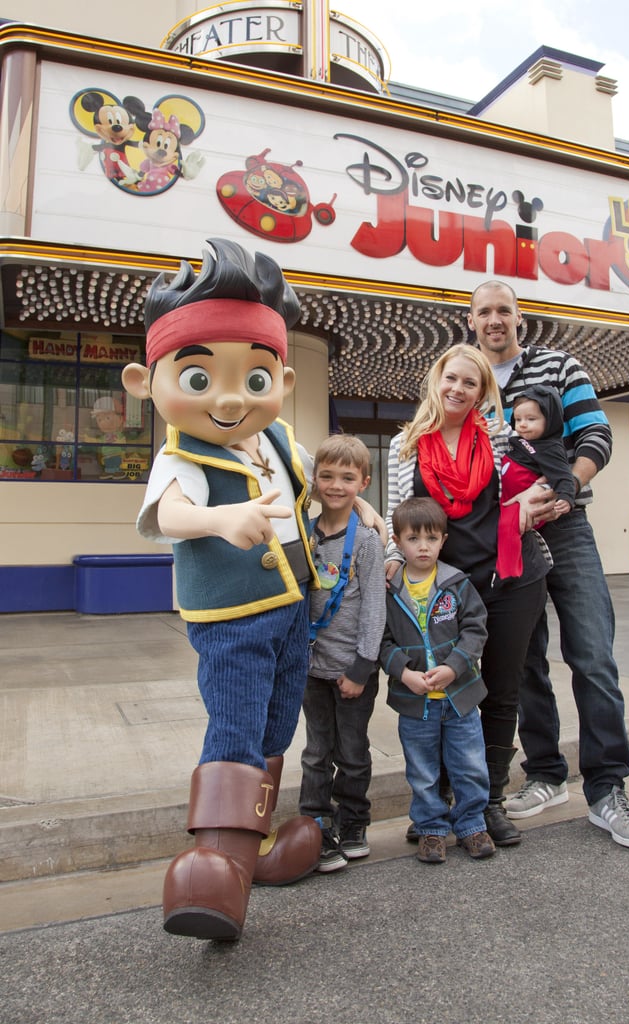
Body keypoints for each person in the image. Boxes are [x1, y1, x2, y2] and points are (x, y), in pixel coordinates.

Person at [122, 238, 379, 941]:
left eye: (255, 379)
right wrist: (218, 518)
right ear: (147, 383)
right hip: (232, 619)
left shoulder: (279, 443)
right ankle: (216, 865)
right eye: (201, 380)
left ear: (283, 383)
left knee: (275, 728)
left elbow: (320, 479)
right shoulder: (181, 455)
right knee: (234, 726)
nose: (233, 397)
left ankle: (253, 851)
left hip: (294, 611)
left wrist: (362, 507)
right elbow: (166, 516)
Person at [468, 279, 629, 849]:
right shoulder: (466, 380)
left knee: (592, 655)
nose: (495, 320)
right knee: (522, 663)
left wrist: (563, 488)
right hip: (505, 536)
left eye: (504, 310)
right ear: (470, 321)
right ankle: (546, 774)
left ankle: (607, 789)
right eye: (484, 312)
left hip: (565, 527)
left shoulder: (557, 366)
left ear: (518, 319)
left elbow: (595, 433)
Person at [385, 343, 551, 848]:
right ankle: (435, 807)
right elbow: (398, 513)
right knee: (437, 695)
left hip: (509, 578)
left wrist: (527, 500)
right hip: (441, 589)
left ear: (483, 392)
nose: (457, 389)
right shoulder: (406, 445)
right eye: (451, 378)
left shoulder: (501, 439)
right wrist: (393, 562)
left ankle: (489, 803)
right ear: (437, 379)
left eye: (470, 383)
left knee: (500, 690)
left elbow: (546, 480)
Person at [382, 497, 495, 863]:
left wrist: (455, 667)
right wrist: (403, 672)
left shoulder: (456, 584)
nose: (423, 546)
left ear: (443, 541)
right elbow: (380, 641)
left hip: (459, 699)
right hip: (415, 703)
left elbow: (476, 630)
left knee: (469, 765)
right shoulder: (389, 591)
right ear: (398, 542)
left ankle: (471, 825)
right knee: (422, 771)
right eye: (413, 539)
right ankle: (431, 829)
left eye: (431, 538)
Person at [298, 434, 386, 873]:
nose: (335, 484)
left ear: (363, 482)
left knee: (352, 751)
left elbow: (374, 605)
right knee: (316, 750)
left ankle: (354, 823)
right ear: (313, 480)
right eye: (327, 475)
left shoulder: (367, 540)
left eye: (347, 477)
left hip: (353, 670)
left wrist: (362, 665)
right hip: (311, 669)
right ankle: (315, 824)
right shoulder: (304, 534)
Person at [496, 385, 574, 580]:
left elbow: (564, 475)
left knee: (508, 527)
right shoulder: (518, 441)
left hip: (526, 505)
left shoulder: (551, 448)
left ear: (550, 420)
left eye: (531, 419)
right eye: (518, 419)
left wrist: (566, 497)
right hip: (507, 499)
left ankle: (508, 572)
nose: (522, 424)